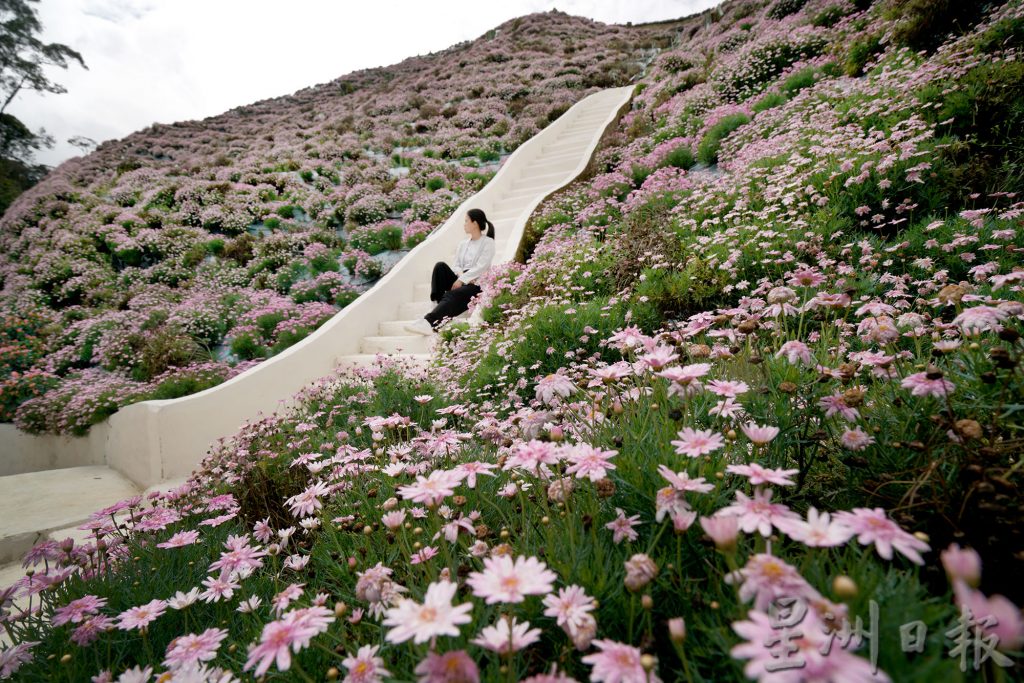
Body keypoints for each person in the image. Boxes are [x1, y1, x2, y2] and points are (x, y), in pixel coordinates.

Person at [406, 208, 495, 335]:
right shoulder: (463, 244)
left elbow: (481, 266)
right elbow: (456, 265)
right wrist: (460, 276)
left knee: (452, 295)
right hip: (462, 278)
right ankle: (436, 309)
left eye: (466, 221)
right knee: (440, 267)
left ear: (474, 223)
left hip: (476, 284)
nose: (464, 225)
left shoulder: (488, 243)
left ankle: (429, 322)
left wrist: (463, 279)